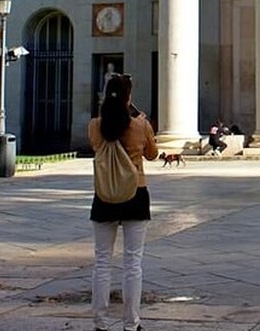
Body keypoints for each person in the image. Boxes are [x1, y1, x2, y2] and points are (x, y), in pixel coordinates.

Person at [87, 74, 158, 331]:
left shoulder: (95, 125)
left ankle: (100, 322)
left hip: (105, 195)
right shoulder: (140, 125)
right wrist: (143, 124)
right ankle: (131, 323)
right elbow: (153, 154)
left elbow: (98, 146)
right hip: (135, 193)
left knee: (102, 262)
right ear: (129, 98)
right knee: (133, 263)